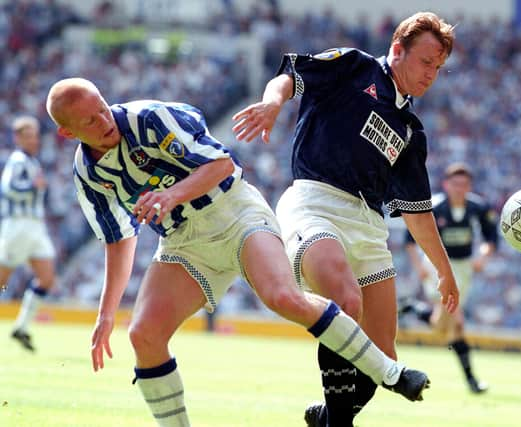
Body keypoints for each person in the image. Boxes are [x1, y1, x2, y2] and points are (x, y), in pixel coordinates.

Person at [45, 77, 430, 427]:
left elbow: (221, 165)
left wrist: (172, 194)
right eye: (90, 121)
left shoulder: (148, 118)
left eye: (101, 106)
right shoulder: (88, 174)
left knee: (283, 297)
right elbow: (118, 238)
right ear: (67, 133)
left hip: (236, 211)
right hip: (184, 241)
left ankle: (392, 373)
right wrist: (106, 314)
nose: (103, 119)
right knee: (144, 335)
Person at [232, 11, 459, 427]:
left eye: (439, 68)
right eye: (426, 62)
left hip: (369, 225)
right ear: (397, 49)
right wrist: (271, 103)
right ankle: (339, 424)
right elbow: (291, 74)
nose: (431, 74)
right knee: (345, 299)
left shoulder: (410, 128)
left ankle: (329, 417)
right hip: (315, 202)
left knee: (382, 355)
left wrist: (443, 270)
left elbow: (417, 211)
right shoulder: (355, 66)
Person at [402, 162, 497, 393]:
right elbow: (410, 238)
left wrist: (482, 258)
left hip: (464, 268)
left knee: (442, 328)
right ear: (446, 184)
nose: (459, 188)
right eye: (455, 183)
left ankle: (414, 309)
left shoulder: (479, 207)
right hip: (438, 264)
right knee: (458, 322)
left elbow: (491, 238)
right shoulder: (435, 207)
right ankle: (472, 381)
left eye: (464, 184)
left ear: (469, 186)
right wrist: (419, 267)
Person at [0, 115, 57, 352]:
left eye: (35, 136)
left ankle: (21, 327)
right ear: (18, 138)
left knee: (46, 278)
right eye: (28, 136)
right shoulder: (18, 160)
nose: (33, 140)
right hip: (19, 225)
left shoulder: (32, 162)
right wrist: (33, 187)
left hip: (35, 226)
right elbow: (9, 188)